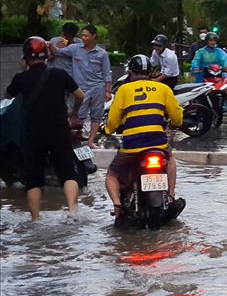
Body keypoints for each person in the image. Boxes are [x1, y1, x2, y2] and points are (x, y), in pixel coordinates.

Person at [5, 37, 85, 221]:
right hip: (59, 130)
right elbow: (80, 95)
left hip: (34, 134)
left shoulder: (20, 79)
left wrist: (23, 71)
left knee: (33, 178)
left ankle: (35, 219)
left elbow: (8, 95)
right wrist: (75, 111)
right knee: (67, 173)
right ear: (47, 55)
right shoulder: (59, 74)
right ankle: (73, 212)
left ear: (25, 57)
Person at [103, 54, 185, 224]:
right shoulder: (163, 89)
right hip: (158, 144)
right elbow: (177, 116)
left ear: (131, 72)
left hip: (132, 147)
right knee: (170, 160)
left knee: (111, 174)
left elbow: (113, 119)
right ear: (150, 73)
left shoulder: (124, 90)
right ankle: (170, 196)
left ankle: (118, 207)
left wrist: (108, 130)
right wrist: (175, 124)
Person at [48, 24, 111, 149]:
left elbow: (106, 74)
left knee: (96, 115)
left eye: (86, 36)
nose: (83, 38)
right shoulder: (74, 48)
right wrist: (51, 45)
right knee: (78, 115)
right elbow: (56, 52)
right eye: (82, 35)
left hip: (98, 87)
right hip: (81, 88)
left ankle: (91, 141)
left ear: (94, 36)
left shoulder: (102, 54)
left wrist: (108, 91)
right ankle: (74, 138)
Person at [190, 31, 227, 113]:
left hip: (218, 75)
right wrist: (196, 67)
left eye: (214, 41)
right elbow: (196, 60)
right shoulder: (200, 52)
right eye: (210, 40)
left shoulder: (220, 52)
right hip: (204, 75)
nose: (212, 42)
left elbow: (225, 60)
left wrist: (225, 67)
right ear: (207, 41)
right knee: (197, 93)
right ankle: (195, 108)